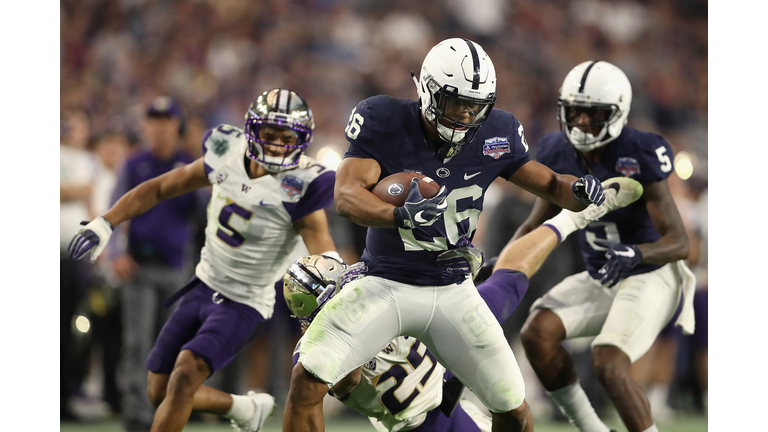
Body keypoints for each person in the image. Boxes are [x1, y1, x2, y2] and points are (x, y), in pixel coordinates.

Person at [283, 38, 609, 432]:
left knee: (514, 409)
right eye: (457, 103)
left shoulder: (498, 131)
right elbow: (347, 197)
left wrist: (578, 193)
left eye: (476, 105)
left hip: (452, 288)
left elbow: (554, 184)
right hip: (384, 282)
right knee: (307, 378)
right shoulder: (385, 119)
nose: (467, 114)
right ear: (429, 91)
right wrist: (400, 215)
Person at [68, 88, 339, 432]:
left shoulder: (304, 183)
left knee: (185, 373)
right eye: (269, 134)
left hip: (246, 301)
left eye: (287, 137)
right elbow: (160, 188)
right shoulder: (227, 152)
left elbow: (323, 255)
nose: (275, 144)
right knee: (160, 390)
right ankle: (242, 408)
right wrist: (107, 221)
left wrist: (338, 300)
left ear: (301, 139)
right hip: (201, 286)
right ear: (252, 130)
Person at [283, 177, 643, 432]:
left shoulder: (363, 298)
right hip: (426, 419)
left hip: (440, 354)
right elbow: (347, 378)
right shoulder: (316, 356)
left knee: (506, 280)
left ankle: (573, 217)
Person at [515, 61, 696, 432]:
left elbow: (680, 242)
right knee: (537, 333)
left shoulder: (641, 151)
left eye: (593, 113)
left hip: (651, 274)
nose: (581, 121)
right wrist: (503, 263)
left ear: (618, 113)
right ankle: (592, 428)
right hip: (602, 276)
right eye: (575, 111)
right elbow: (536, 224)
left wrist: (638, 253)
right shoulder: (555, 149)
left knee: (608, 361)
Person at [101, 97, 206, 431]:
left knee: (174, 344)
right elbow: (114, 207)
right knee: (137, 340)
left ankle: (168, 409)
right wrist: (117, 253)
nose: (160, 128)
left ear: (177, 126)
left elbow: (206, 215)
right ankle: (136, 411)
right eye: (154, 121)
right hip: (140, 265)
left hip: (177, 266)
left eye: (166, 121)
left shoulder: (190, 164)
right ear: (146, 126)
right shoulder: (134, 164)